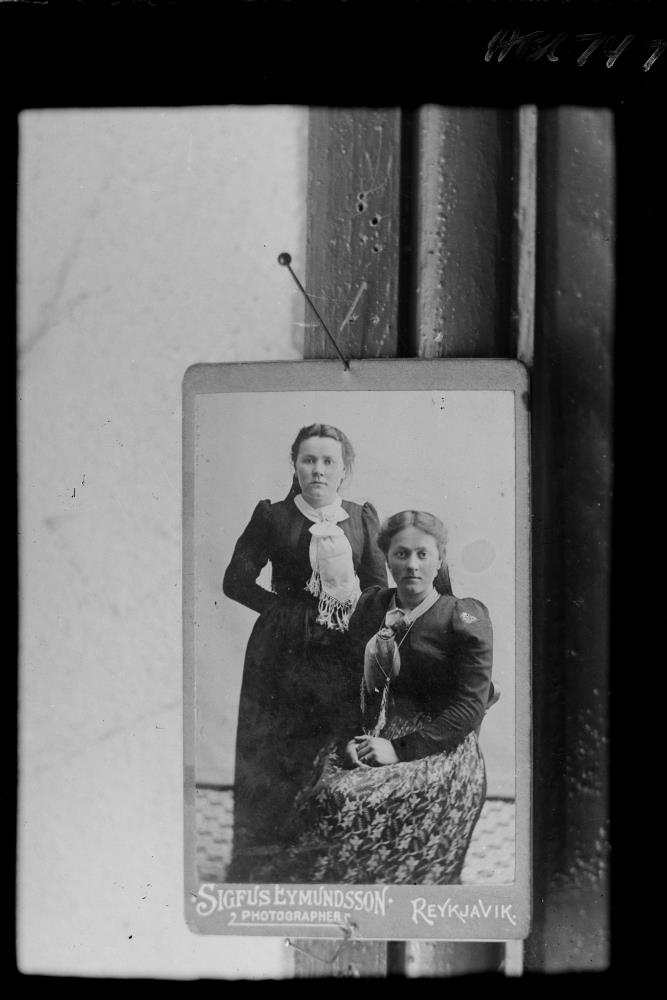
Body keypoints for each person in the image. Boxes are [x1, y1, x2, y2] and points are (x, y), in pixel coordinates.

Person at [279, 509, 498, 884]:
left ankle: (388, 888)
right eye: (401, 554)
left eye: (423, 554)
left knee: (347, 799)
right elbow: (348, 681)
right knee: (316, 791)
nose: (412, 565)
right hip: (373, 729)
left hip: (439, 745)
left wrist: (398, 750)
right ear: (387, 558)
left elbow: (468, 707)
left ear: (439, 559)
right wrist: (350, 738)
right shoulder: (371, 605)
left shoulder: (462, 618)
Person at [222, 423, 386, 882]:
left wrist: (358, 627)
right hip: (282, 652)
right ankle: (263, 862)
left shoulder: (360, 518)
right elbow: (235, 581)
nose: (318, 470)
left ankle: (322, 864)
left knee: (334, 749)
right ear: (294, 464)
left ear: (344, 469)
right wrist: (285, 613)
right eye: (308, 460)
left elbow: (377, 589)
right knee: (272, 752)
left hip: (342, 653)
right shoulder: (273, 516)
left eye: (328, 461)